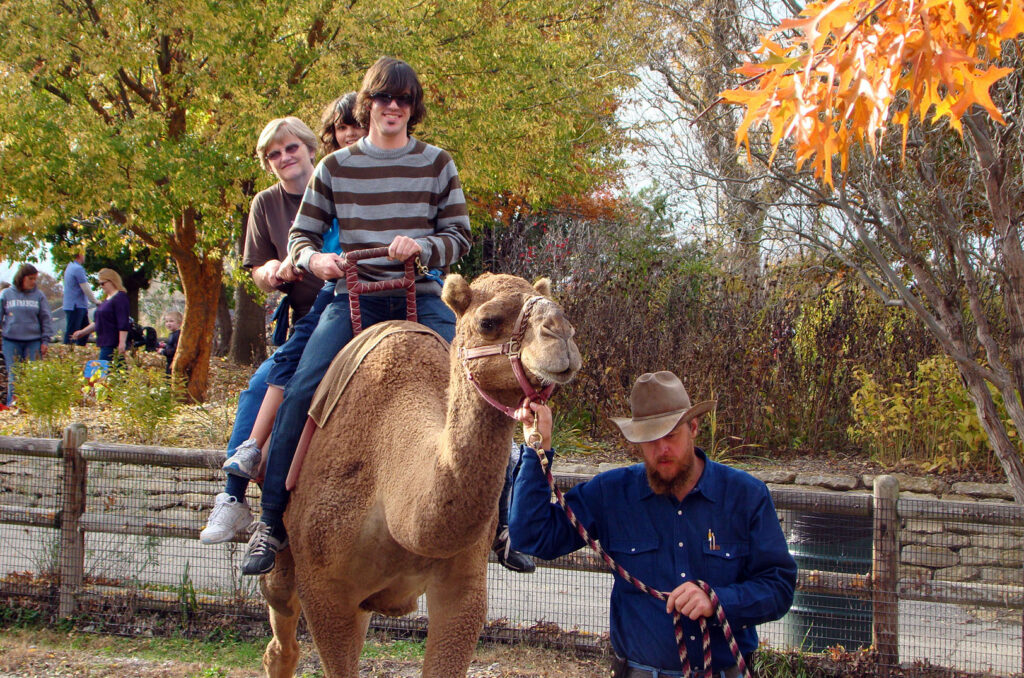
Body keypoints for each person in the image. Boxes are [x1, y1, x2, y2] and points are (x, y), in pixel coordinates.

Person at [239, 57, 473, 575]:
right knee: (301, 387)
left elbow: (459, 236)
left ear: (414, 109)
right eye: (385, 98)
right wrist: (313, 260)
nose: (394, 107)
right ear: (368, 104)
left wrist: (426, 246)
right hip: (354, 297)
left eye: (405, 100)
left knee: (475, 378)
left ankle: (499, 520)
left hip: (420, 290)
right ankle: (271, 520)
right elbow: (301, 237)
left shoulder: (438, 163)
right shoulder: (335, 168)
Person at [509, 371, 797, 677]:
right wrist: (536, 450)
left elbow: (778, 587)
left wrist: (718, 600)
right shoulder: (612, 493)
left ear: (694, 428)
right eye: (650, 440)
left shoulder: (745, 496)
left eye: (671, 436)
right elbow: (532, 535)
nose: (661, 451)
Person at [199, 99, 368, 546]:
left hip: (358, 304)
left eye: (291, 148)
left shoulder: (339, 184)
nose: (283, 158)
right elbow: (256, 270)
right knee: (260, 388)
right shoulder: (265, 204)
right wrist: (274, 271)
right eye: (273, 154)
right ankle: (234, 497)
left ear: (311, 148)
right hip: (306, 317)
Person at [0, 264, 54, 406]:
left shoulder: (39, 296)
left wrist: (45, 340)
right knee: (14, 375)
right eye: (30, 278)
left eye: (35, 279)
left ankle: (32, 406)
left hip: (33, 341)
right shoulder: (6, 294)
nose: (33, 282)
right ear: (21, 278)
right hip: (11, 341)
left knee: (33, 375)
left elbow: (45, 318)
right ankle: (13, 405)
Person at [71, 268, 130, 363]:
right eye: (100, 284)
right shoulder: (106, 301)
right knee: (112, 374)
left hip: (113, 344)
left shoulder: (120, 298)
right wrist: (82, 332)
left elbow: (123, 322)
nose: (101, 286)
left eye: (103, 283)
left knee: (102, 374)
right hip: (104, 343)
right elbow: (97, 322)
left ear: (112, 281)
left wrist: (122, 342)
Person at [61, 250, 97, 345]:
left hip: (73, 304)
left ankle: (79, 350)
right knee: (73, 332)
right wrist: (95, 301)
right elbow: (85, 287)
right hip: (76, 306)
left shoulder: (70, 267)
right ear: (80, 255)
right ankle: (67, 353)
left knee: (84, 331)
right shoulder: (78, 269)